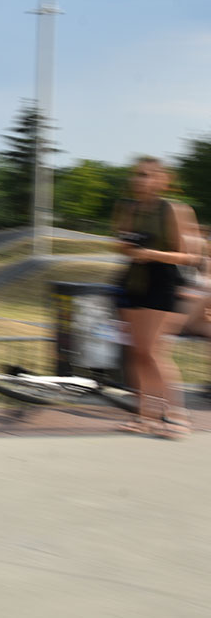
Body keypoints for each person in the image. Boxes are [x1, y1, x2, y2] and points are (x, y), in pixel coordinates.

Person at [112, 156, 201, 438]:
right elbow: (121, 243)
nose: (139, 180)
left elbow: (190, 257)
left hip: (163, 280)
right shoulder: (129, 208)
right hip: (134, 279)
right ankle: (144, 416)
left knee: (153, 352)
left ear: (163, 180)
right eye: (136, 174)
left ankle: (177, 415)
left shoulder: (174, 209)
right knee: (137, 352)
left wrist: (151, 254)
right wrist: (127, 246)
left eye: (146, 175)